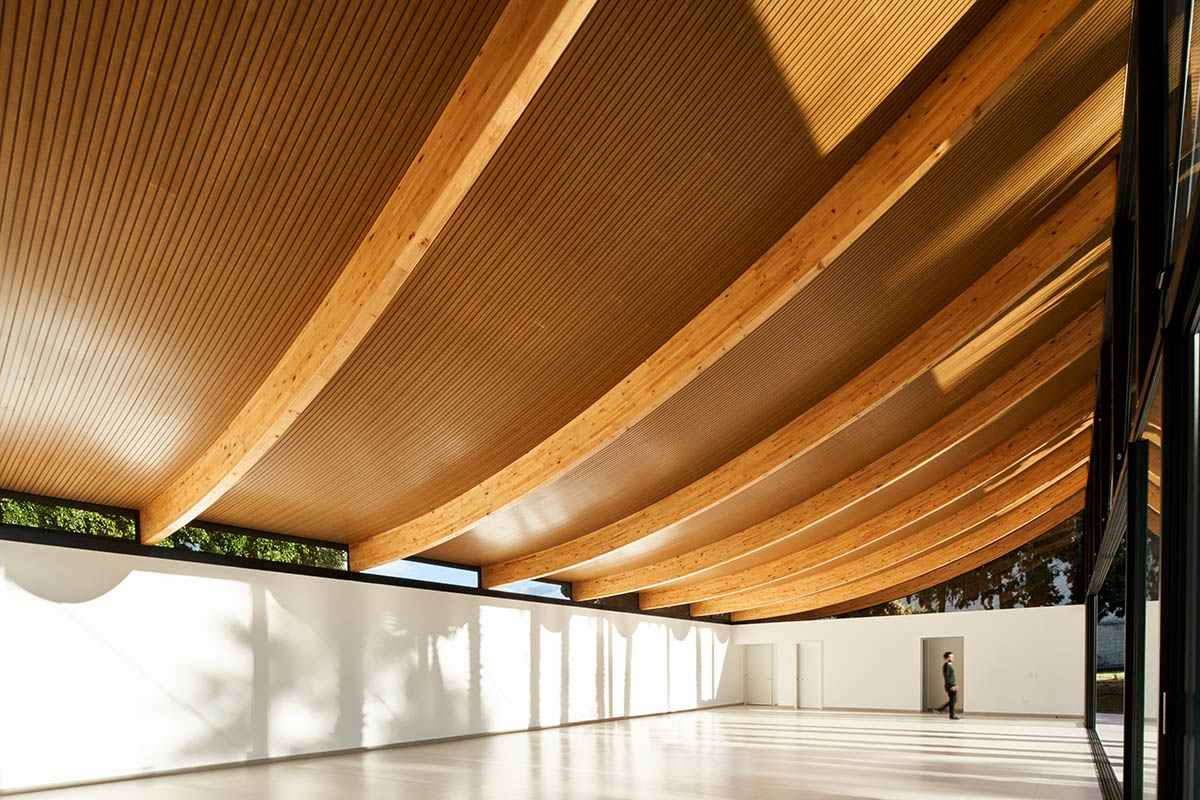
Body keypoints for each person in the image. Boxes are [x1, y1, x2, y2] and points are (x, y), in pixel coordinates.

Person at [935, 651, 960, 719]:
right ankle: (951, 715)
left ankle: (940, 710)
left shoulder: (948, 665)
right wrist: (952, 685)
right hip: (950, 685)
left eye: (952, 657)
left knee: (954, 700)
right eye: (951, 657)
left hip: (951, 684)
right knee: (953, 700)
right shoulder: (946, 666)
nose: (952, 658)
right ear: (946, 658)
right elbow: (947, 677)